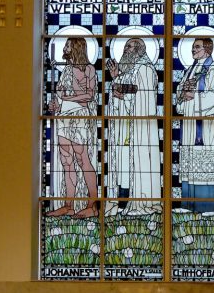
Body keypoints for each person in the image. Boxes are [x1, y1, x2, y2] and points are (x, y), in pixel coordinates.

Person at [104, 38, 161, 215]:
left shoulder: (145, 69)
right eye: (125, 47)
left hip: (140, 128)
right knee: (124, 166)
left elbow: (143, 97)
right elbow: (125, 90)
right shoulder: (131, 70)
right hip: (126, 128)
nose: (125, 50)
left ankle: (142, 201)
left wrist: (122, 95)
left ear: (139, 50)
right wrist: (116, 78)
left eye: (128, 47)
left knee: (139, 163)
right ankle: (123, 202)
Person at [46, 37, 98, 218]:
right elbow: (60, 94)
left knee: (83, 160)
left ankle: (92, 205)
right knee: (66, 161)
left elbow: (89, 95)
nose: (64, 48)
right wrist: (55, 104)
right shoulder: (66, 70)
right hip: (64, 117)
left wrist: (67, 98)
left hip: (79, 116)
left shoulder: (89, 69)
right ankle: (68, 205)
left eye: (67, 45)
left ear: (76, 47)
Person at [176, 37, 214, 212]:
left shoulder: (213, 71)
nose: (193, 50)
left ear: (207, 50)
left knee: (206, 163)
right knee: (190, 163)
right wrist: (183, 93)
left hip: (207, 127)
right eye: (192, 47)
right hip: (190, 125)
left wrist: (194, 97)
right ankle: (188, 204)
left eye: (197, 47)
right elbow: (179, 96)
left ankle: (210, 206)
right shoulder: (190, 71)